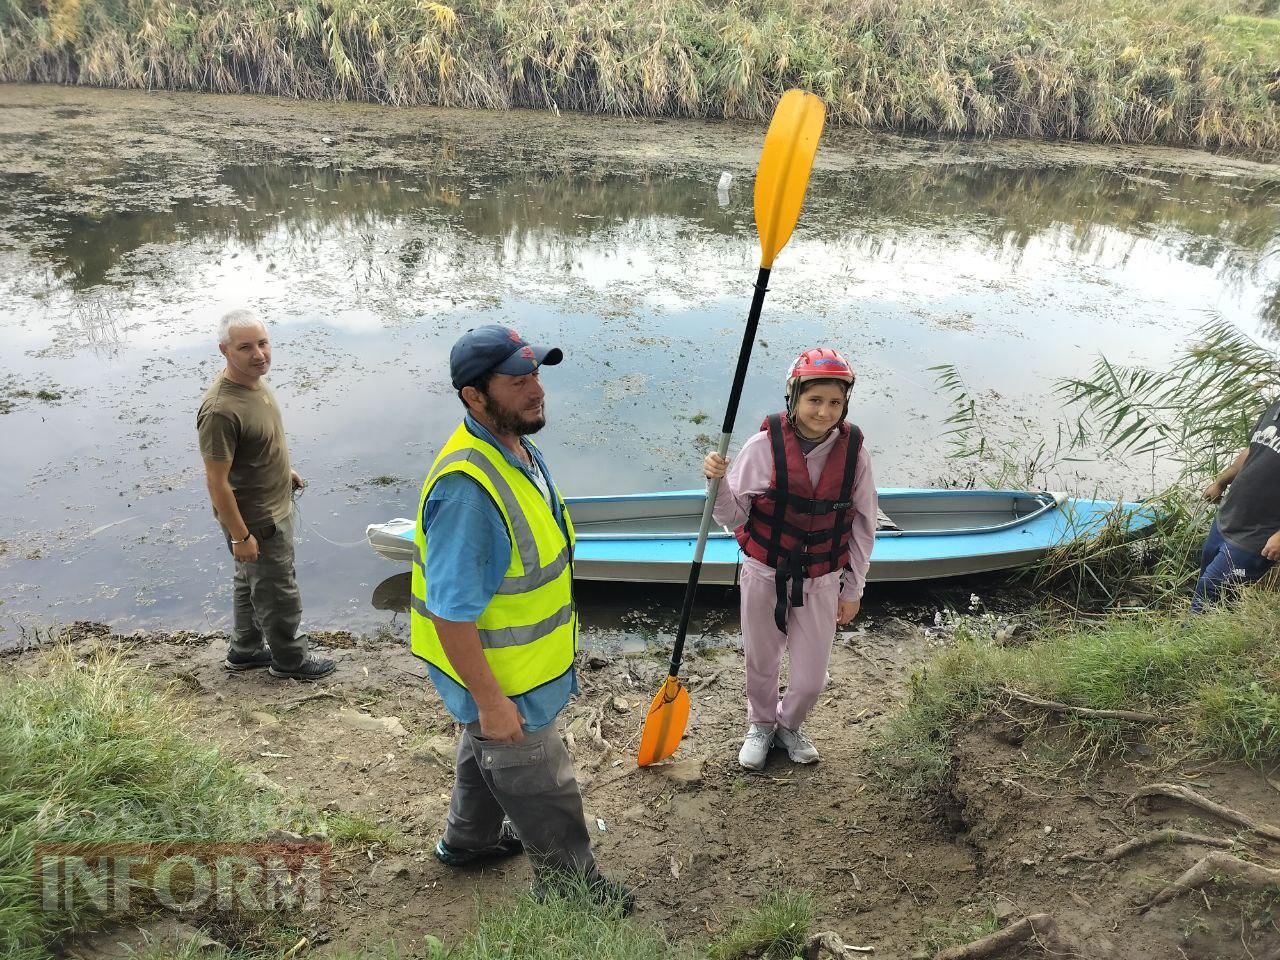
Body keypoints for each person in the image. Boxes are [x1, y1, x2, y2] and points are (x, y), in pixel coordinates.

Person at [409, 324, 632, 912]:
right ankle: (574, 892)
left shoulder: (514, 446)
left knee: (485, 748)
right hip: (502, 673)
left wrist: (487, 714)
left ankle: (471, 840)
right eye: (517, 381)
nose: (536, 390)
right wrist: (491, 701)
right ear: (473, 396)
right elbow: (449, 616)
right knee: (543, 782)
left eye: (536, 374)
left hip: (519, 663)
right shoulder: (467, 493)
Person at [704, 348, 876, 770]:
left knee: (812, 679)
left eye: (835, 402)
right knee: (761, 659)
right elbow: (732, 515)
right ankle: (761, 723)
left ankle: (788, 724)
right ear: (794, 397)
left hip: (821, 578)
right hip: (765, 572)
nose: (824, 411)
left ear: (845, 405)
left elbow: (864, 525)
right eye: (814, 400)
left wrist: (852, 589)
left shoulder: (854, 453)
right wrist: (717, 481)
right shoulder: (763, 446)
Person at [197, 309, 334, 681]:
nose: (259, 354)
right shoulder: (220, 410)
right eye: (245, 347)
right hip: (258, 520)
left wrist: (282, 471)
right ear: (224, 350)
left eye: (263, 343)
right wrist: (242, 536)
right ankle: (290, 661)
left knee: (248, 582)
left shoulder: (254, 383)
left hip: (271, 506)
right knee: (277, 591)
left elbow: (258, 445)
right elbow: (216, 481)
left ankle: (245, 650)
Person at [1196, 397, 1280, 610]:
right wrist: (1220, 482)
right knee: (1210, 589)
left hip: (1258, 535)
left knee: (1210, 590)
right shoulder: (1276, 407)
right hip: (1228, 519)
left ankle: (1185, 639)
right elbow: (1251, 452)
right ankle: (1210, 634)